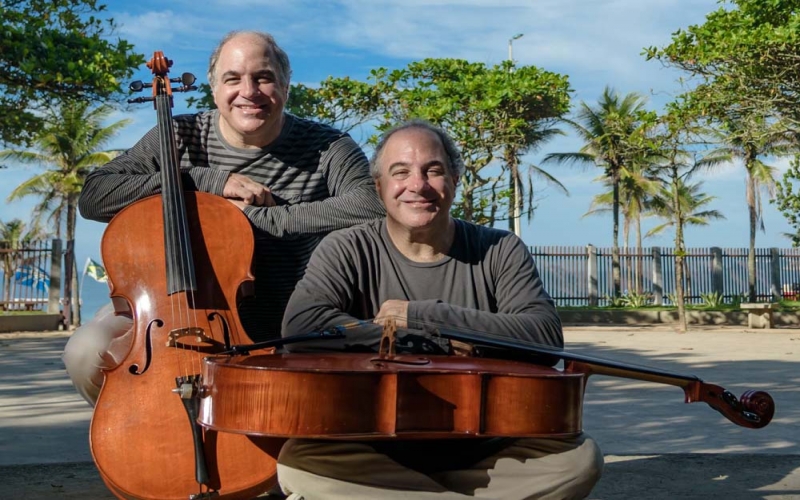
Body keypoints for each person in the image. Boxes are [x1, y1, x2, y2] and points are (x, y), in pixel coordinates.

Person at [278, 120, 604, 499]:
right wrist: (414, 338)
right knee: (298, 464)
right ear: (379, 187)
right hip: (372, 449)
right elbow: (303, 327)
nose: (418, 185)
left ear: (455, 180)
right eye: (400, 172)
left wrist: (423, 316)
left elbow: (544, 336)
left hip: (486, 453)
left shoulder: (500, 249)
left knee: (579, 460)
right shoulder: (345, 246)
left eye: (433, 170)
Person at [63, 30, 385, 406]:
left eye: (263, 77)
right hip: (172, 311)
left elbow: (372, 205)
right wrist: (201, 180)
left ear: (285, 85)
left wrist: (269, 219)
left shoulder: (327, 146)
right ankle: (141, 443)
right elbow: (95, 196)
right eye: (233, 79)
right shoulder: (180, 135)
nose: (249, 91)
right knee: (86, 351)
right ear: (214, 89)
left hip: (285, 316)